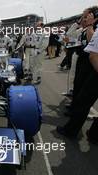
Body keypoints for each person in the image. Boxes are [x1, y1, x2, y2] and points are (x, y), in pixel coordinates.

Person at [57, 7, 98, 144]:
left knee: (83, 100)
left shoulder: (93, 29)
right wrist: (80, 23)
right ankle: (93, 133)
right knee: (79, 92)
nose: (84, 18)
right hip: (82, 60)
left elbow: (93, 52)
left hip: (90, 66)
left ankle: (72, 129)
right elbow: (69, 36)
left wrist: (91, 24)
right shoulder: (84, 28)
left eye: (87, 16)